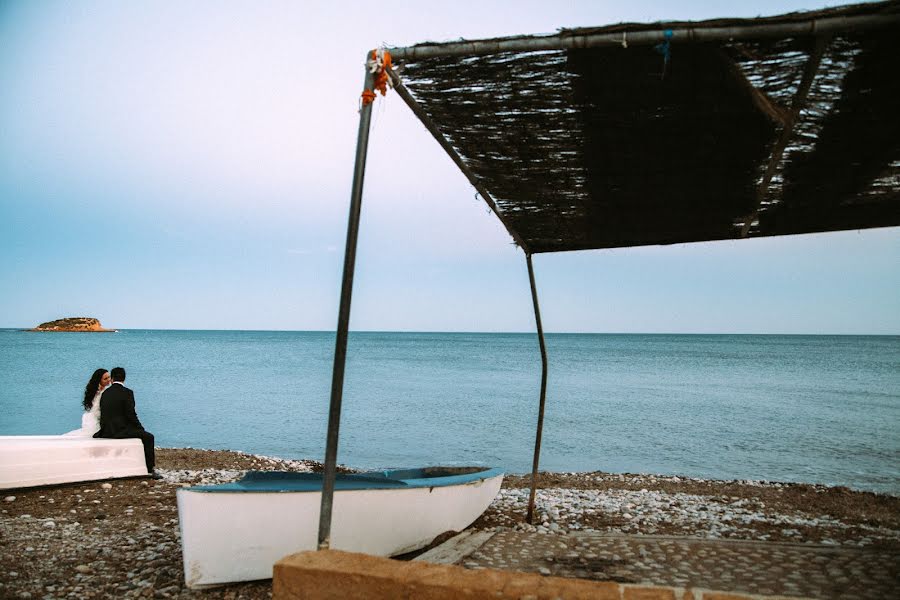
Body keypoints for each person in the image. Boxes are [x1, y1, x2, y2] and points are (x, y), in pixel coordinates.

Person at [93, 367, 161, 479]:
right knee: (149, 437)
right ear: (124, 378)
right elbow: (131, 415)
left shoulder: (105, 393)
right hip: (119, 431)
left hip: (106, 431)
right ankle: (150, 469)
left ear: (113, 378)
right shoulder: (128, 393)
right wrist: (140, 428)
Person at [64, 368, 110, 436]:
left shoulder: (96, 391)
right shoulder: (100, 393)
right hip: (95, 421)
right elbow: (96, 410)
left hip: (90, 418)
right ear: (99, 381)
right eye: (105, 379)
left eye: (109, 377)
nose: (109, 380)